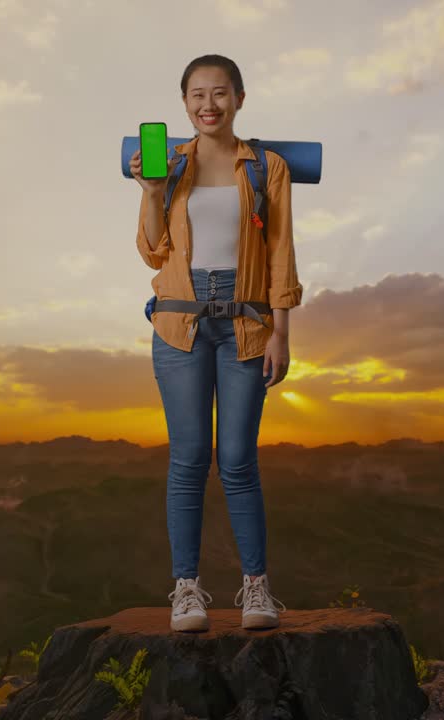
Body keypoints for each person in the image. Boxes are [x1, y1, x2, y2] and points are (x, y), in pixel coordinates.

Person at [129, 54, 303, 632]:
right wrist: (152, 191)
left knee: (237, 460)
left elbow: (280, 249)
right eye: (198, 95)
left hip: (248, 322)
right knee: (188, 460)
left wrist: (281, 330)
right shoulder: (170, 165)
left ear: (240, 98)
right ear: (184, 104)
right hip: (179, 323)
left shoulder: (266, 166)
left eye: (221, 93)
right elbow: (153, 251)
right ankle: (186, 591)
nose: (209, 104)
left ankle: (256, 589)